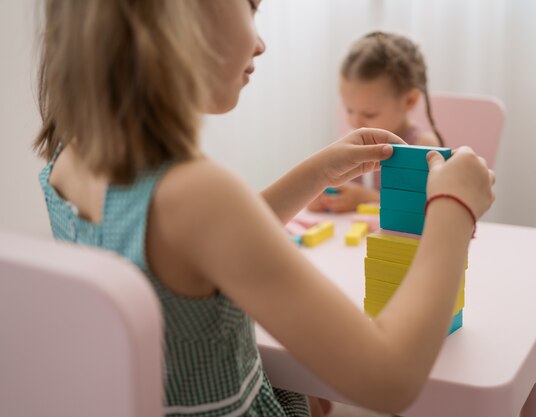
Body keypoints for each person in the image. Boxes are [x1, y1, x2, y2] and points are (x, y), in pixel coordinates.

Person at [34, 1, 495, 415]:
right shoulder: (200, 194)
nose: (261, 42)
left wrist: (315, 173)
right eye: (251, 7)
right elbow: (391, 380)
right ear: (179, 13)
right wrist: (453, 208)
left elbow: (195, 253)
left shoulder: (68, 161)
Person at [309, 31, 443, 213]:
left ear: (409, 101)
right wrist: (324, 197)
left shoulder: (422, 147)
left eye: (369, 114)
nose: (355, 122)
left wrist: (365, 198)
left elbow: (427, 206)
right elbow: (341, 190)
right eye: (349, 110)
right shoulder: (353, 144)